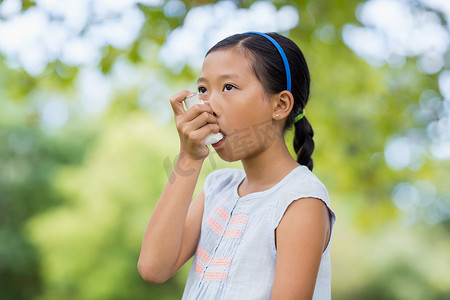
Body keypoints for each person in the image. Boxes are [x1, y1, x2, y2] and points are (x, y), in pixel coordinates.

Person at [137, 32, 336, 300]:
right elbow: (153, 267)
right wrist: (190, 156)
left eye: (228, 87)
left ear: (280, 104)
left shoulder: (300, 200)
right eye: (203, 90)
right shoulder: (218, 187)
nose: (208, 106)